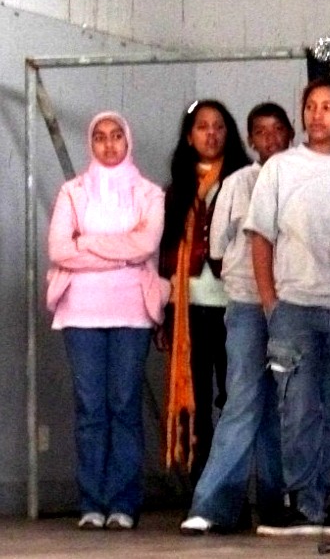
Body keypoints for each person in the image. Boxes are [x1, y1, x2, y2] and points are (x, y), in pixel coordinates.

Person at [247, 80, 330, 535]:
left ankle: (319, 501)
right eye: (311, 106)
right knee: (297, 408)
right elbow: (260, 237)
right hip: (295, 307)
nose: (317, 115)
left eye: (328, 107)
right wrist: (271, 302)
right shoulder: (279, 168)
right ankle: (299, 501)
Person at [47, 112, 165, 530]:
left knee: (124, 406)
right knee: (90, 409)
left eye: (116, 136)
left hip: (132, 311)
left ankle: (123, 504)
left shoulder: (149, 193)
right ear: (91, 143)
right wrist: (119, 253)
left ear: (127, 141)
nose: (109, 144)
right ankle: (91, 504)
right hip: (80, 311)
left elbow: (145, 244)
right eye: (100, 137)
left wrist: (87, 244)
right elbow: (60, 250)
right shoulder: (73, 192)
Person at [180, 103, 294, 534]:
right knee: (242, 400)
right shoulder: (237, 183)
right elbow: (216, 247)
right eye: (260, 132)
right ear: (249, 140)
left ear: (291, 134)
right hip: (246, 303)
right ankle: (213, 504)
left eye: (278, 130)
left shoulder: (302, 175)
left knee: (281, 408)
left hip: (294, 304)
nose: (270, 139)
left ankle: (277, 503)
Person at [159, 100, 251, 479]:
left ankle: (229, 486)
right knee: (194, 399)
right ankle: (201, 486)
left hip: (235, 304)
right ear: (189, 137)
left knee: (234, 398)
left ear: (229, 134)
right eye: (202, 127)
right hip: (187, 306)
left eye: (218, 126)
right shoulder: (176, 190)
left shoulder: (244, 180)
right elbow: (166, 250)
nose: (211, 134)